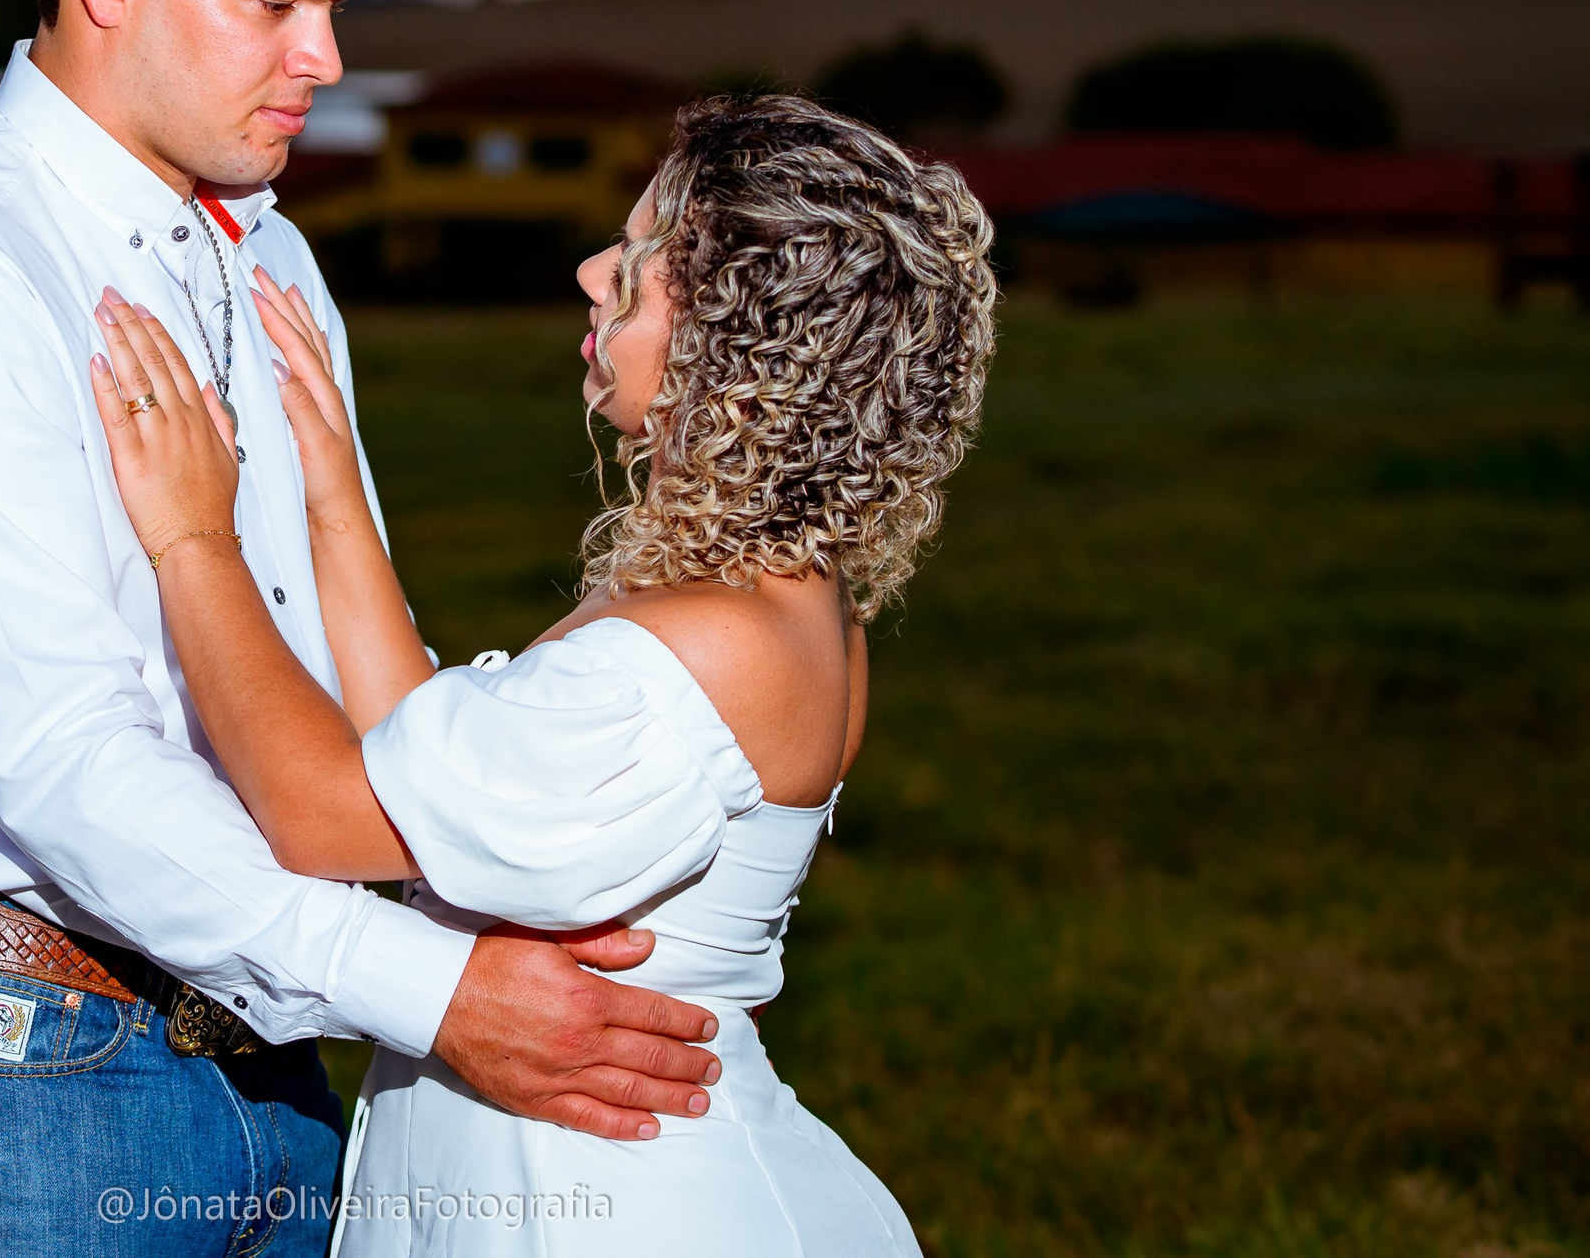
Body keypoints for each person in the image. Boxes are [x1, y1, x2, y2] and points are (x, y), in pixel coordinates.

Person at [0, 0, 725, 1257]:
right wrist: (437, 992)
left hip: (269, 1040)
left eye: (331, 5)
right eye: (278, 3)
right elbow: (70, 765)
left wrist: (489, 906)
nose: (330, 57)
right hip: (2, 1075)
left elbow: (335, 671)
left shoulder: (265, 248)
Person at [85, 94, 999, 1254]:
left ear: (736, 332)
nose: (589, 271)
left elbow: (322, 812)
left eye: (641, 258)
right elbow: (430, 764)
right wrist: (329, 488)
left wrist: (191, 539)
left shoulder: (714, 640)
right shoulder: (776, 597)